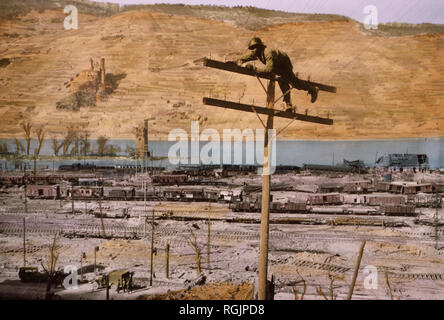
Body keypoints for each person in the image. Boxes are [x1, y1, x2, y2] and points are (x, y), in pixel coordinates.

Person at [236, 37, 319, 112]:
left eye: (255, 47)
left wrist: (254, 68)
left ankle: (313, 89)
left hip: (284, 64)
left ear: (260, 47)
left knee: (294, 83)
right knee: (282, 80)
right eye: (252, 48)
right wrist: (237, 62)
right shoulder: (256, 53)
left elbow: (268, 70)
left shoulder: (268, 53)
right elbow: (242, 59)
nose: (253, 50)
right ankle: (288, 104)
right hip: (276, 65)